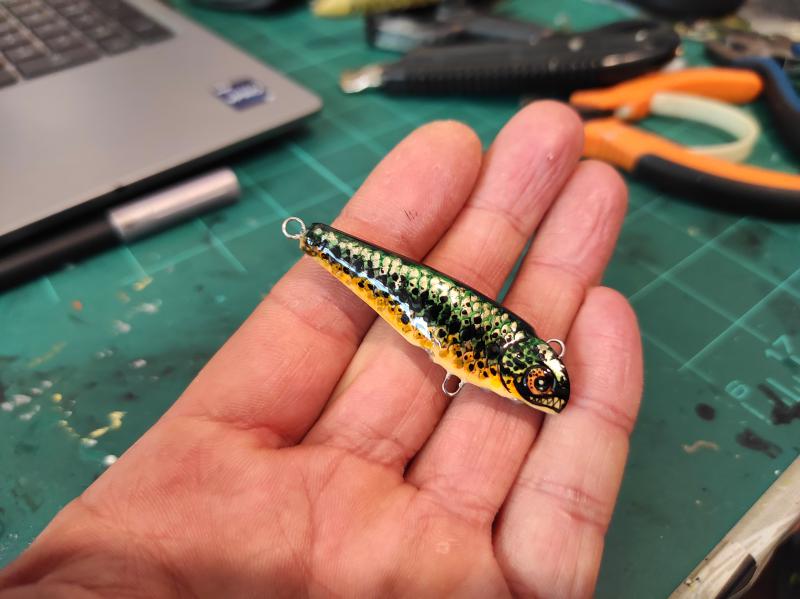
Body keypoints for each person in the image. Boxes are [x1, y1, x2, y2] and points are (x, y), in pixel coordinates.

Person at [0, 102, 642, 598]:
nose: (543, 390)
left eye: (541, 384)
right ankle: (322, 243)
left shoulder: (510, 357)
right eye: (539, 385)